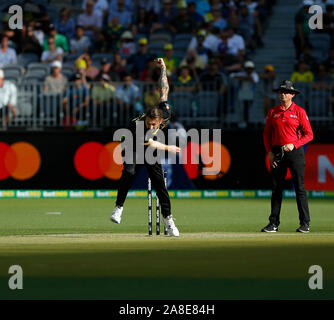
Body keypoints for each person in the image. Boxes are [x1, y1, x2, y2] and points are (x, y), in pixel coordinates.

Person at [110, 58, 180, 237]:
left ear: (160, 121)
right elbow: (150, 142)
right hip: (134, 144)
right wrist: (168, 148)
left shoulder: (164, 111)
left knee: (159, 183)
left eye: (153, 125)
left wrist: (163, 68)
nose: (151, 127)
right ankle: (118, 208)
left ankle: (169, 220)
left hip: (151, 149)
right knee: (129, 172)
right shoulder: (137, 125)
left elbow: (164, 88)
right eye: (148, 124)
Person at [262, 80, 314, 233]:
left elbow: (309, 134)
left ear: (292, 95)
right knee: (276, 188)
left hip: (295, 152)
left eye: (286, 92)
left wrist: (294, 144)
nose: (282, 94)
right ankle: (273, 223)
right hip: (277, 152)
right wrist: (270, 152)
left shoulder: (299, 111)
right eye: (281, 91)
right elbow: (266, 134)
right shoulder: (273, 112)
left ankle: (305, 223)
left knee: (299, 188)